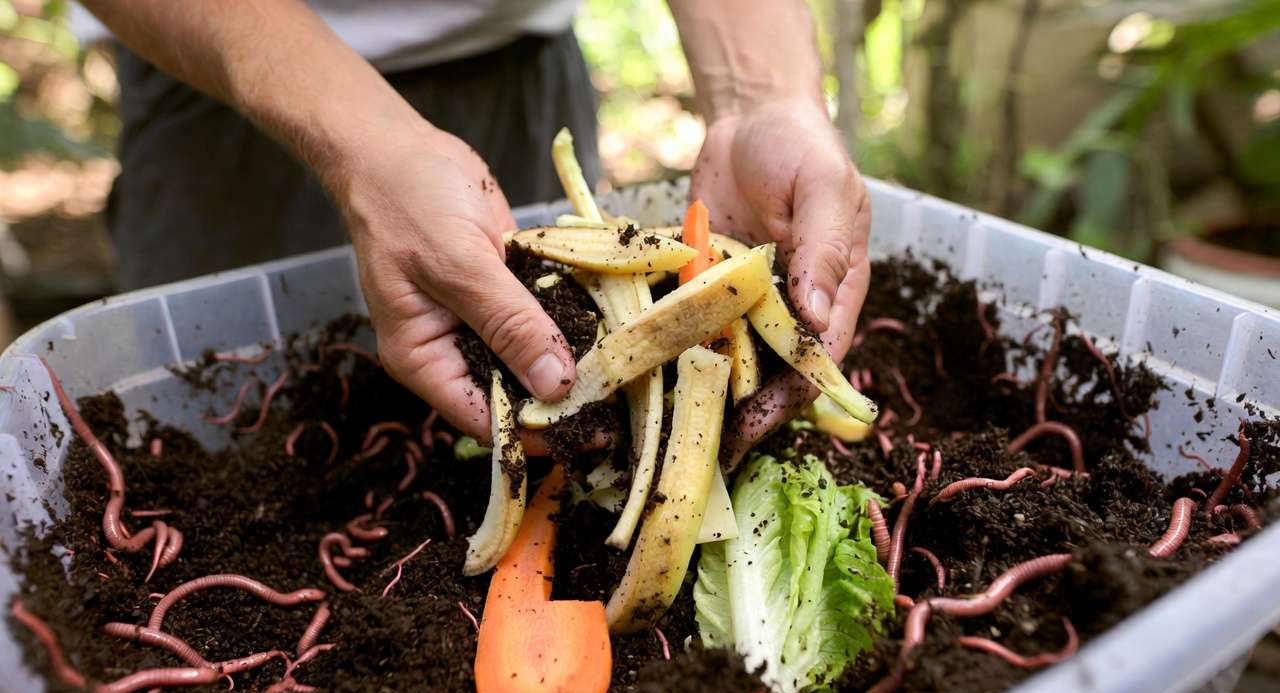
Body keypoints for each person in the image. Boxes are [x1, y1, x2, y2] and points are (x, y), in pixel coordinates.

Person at [77, 1, 871, 457]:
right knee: (224, 432)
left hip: (520, 63)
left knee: (542, 363)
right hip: (224, 81)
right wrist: (365, 144)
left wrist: (757, 99)